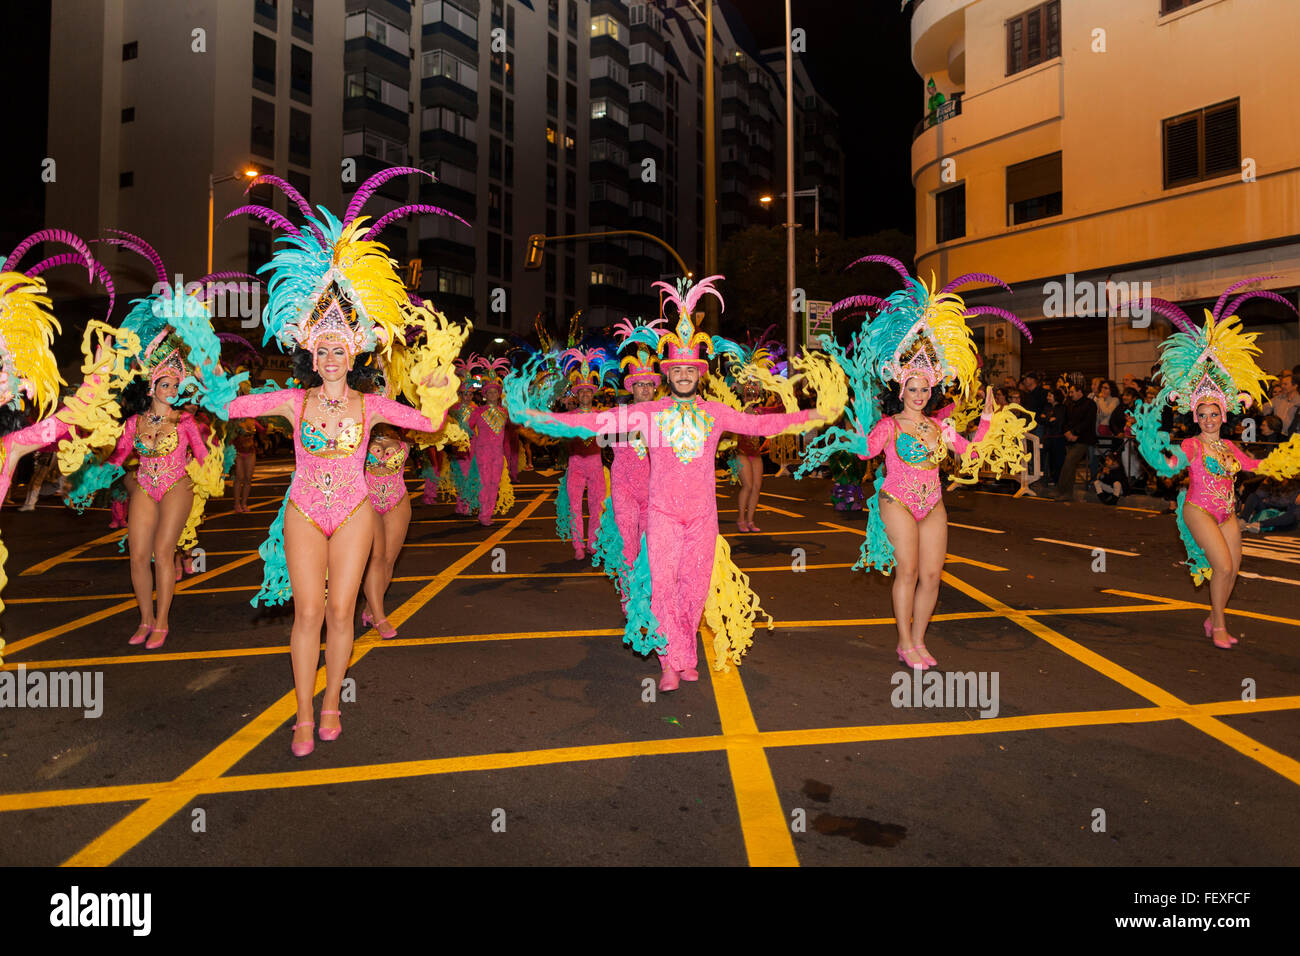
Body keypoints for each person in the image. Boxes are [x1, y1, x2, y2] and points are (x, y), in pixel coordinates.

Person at [225, 166, 466, 756]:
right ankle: (303, 713)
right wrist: (204, 374)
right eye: (323, 347)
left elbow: (430, 423)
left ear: (353, 351)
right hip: (304, 510)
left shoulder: (374, 403)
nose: (332, 355)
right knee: (307, 613)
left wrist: (437, 387)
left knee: (340, 611)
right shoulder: (291, 399)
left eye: (341, 347)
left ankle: (333, 698)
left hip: (356, 508)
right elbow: (232, 403)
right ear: (310, 349)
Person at [510, 275, 838, 691]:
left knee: (694, 590)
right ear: (669, 374)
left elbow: (762, 423)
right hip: (662, 514)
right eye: (677, 369)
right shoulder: (649, 413)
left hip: (703, 518)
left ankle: (686, 653)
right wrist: (539, 419)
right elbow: (595, 422)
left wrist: (812, 415)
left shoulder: (717, 412)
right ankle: (669, 661)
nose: (683, 375)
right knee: (662, 585)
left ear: (698, 373)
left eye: (690, 369)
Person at [797, 256, 1033, 671]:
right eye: (913, 387)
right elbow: (867, 453)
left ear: (932, 389)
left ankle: (920, 639)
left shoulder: (939, 427)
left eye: (926, 388)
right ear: (901, 387)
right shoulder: (889, 426)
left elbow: (971, 455)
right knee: (906, 570)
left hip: (933, 502)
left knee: (933, 576)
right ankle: (904, 641)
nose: (920, 394)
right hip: (897, 500)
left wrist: (988, 421)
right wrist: (853, 418)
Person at [1134, 284, 1300, 649]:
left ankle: (1214, 617)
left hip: (1227, 512)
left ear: (1223, 416)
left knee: (1232, 571)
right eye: (1203, 414)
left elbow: (1257, 464)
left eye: (1214, 414)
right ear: (1196, 417)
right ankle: (1219, 624)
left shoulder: (1229, 446)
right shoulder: (1192, 444)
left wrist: (1288, 459)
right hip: (1199, 511)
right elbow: (1173, 463)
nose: (1209, 419)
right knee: (1222, 567)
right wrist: (1155, 451)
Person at [559, 348, 614, 559]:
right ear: (577, 394)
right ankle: (577, 545)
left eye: (588, 391)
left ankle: (592, 542)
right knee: (575, 505)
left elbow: (611, 435)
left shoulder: (601, 416)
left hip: (595, 465)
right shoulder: (570, 417)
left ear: (593, 394)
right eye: (581, 391)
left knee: (596, 504)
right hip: (575, 466)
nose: (584, 394)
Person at [464, 357, 519, 527]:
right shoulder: (478, 412)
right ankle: (483, 513)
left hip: (498, 453)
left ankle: (487, 513)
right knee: (484, 482)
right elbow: (466, 429)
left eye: (495, 391)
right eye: (489, 392)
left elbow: (517, 425)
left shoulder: (504, 412)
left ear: (498, 394)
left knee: (494, 483)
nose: (493, 394)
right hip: (482, 453)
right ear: (485, 394)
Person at [1055, 382, 1097, 498]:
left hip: (1083, 439)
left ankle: (1063, 491)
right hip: (1070, 439)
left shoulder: (1090, 404)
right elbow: (1066, 421)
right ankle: (1066, 492)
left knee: (1069, 462)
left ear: (1080, 392)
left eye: (1072, 392)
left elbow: (1087, 422)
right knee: (1070, 465)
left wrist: (1075, 432)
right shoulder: (1070, 404)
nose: (1070, 394)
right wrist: (1067, 432)